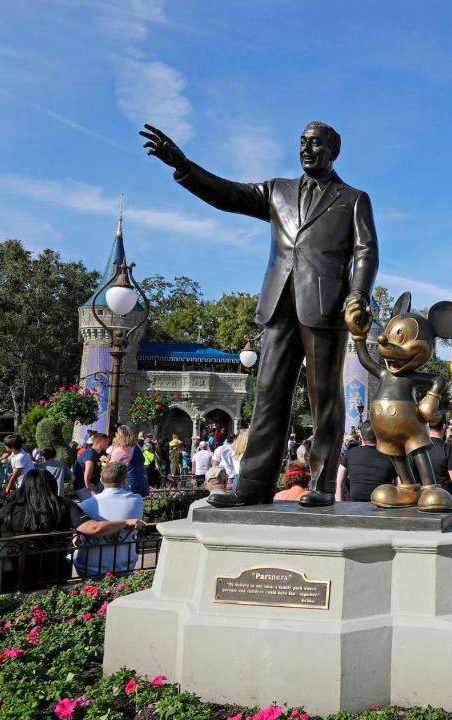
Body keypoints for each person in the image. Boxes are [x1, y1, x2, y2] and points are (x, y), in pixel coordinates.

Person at [141, 120, 379, 508]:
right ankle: (253, 484)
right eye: (302, 142)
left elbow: (366, 251)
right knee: (268, 392)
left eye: (315, 144)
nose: (306, 149)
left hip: (324, 304)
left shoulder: (352, 198)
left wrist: (358, 294)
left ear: (333, 151)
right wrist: (183, 165)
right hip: (279, 301)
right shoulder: (277, 191)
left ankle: (320, 483)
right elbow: (227, 194)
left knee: (323, 396)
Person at [0, 469, 144, 591]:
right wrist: (126, 522)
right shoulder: (63, 506)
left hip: (8, 574)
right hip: (51, 574)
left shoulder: (8, 510)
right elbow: (93, 528)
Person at [73, 462, 145, 578]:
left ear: (101, 480)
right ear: (124, 481)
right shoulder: (137, 500)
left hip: (89, 568)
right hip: (124, 566)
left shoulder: (86, 505)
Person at [334, 422, 397, 502]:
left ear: (361, 438)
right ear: (379, 436)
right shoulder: (390, 457)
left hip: (354, 508)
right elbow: (399, 485)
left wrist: (340, 506)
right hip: (381, 507)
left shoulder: (350, 453)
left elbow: (338, 482)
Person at [107, 426, 150, 497]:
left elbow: (111, 468)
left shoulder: (120, 450)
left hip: (128, 482)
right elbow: (142, 459)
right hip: (142, 479)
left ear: (119, 436)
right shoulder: (137, 446)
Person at [426, 417, 452, 498]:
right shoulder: (449, 450)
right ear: (443, 427)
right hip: (444, 499)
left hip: (423, 497)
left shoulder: (420, 448)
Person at [74, 433, 109, 499]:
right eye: (107, 443)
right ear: (102, 442)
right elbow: (89, 467)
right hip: (85, 488)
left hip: (95, 485)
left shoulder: (96, 453)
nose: (107, 445)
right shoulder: (90, 453)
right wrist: (88, 484)